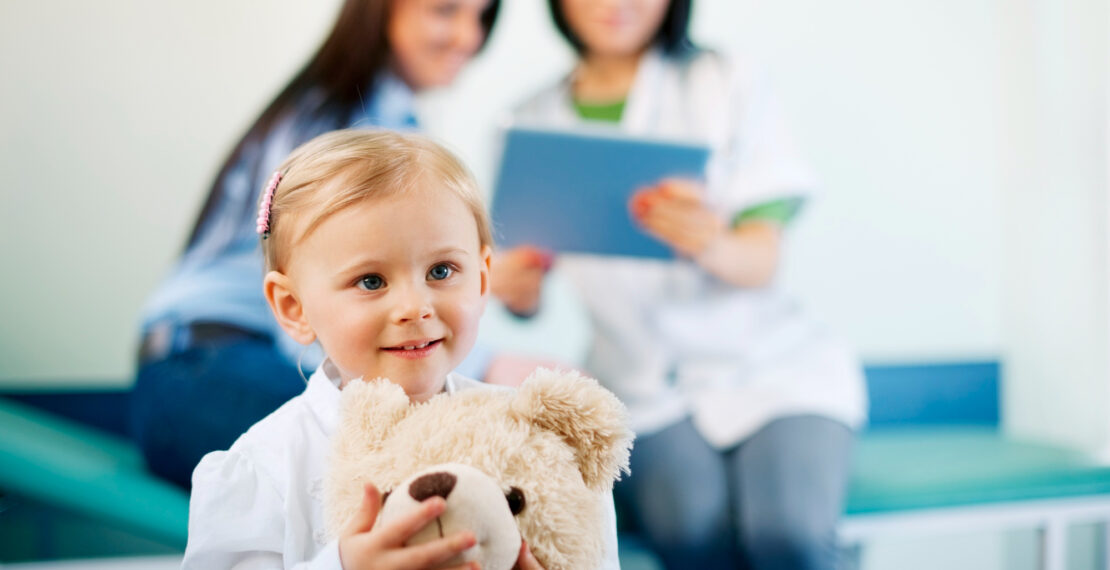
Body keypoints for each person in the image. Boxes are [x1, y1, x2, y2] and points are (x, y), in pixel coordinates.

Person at [495, 1, 868, 568]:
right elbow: (525, 292)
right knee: (692, 530)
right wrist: (515, 287)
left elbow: (762, 257)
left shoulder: (726, 82)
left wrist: (709, 241)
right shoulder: (526, 120)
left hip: (777, 370)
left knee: (786, 535)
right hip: (641, 387)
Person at [182, 129, 620, 569]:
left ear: (483, 279)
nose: (415, 307)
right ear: (294, 306)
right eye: (370, 281)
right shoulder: (266, 469)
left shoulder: (531, 442)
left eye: (442, 270)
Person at [131, 0, 518, 489]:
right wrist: (486, 365)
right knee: (439, 459)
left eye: (481, 17)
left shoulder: (389, 122)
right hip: (201, 371)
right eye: (445, 11)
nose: (469, 37)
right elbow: (334, 322)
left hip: (222, 365)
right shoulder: (338, 132)